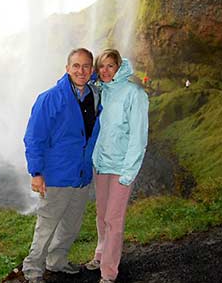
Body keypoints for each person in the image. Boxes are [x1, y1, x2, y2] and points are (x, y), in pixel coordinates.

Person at [22, 48, 100, 283]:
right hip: (57, 175)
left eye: (86, 66)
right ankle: (33, 270)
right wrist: (36, 172)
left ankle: (56, 262)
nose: (81, 70)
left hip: (81, 175)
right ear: (67, 68)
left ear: (92, 70)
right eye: (76, 66)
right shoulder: (50, 98)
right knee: (46, 227)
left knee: (71, 226)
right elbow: (34, 137)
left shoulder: (94, 95)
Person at [85, 49, 148, 283]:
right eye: (101, 66)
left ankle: (109, 273)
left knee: (114, 219)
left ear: (119, 67)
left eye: (110, 66)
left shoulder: (134, 93)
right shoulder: (103, 91)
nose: (105, 70)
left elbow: (138, 137)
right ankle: (100, 255)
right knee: (101, 216)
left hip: (122, 167)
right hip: (101, 165)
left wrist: (129, 171)